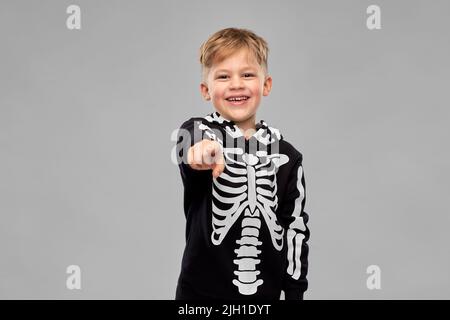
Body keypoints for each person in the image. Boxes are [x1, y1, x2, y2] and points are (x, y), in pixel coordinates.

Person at [174, 27, 310, 300]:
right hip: (199, 298)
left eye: (247, 75)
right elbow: (191, 144)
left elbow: (295, 230)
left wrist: (295, 294)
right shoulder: (199, 132)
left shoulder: (287, 157)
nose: (236, 84)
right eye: (223, 76)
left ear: (266, 85)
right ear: (205, 90)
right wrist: (201, 152)